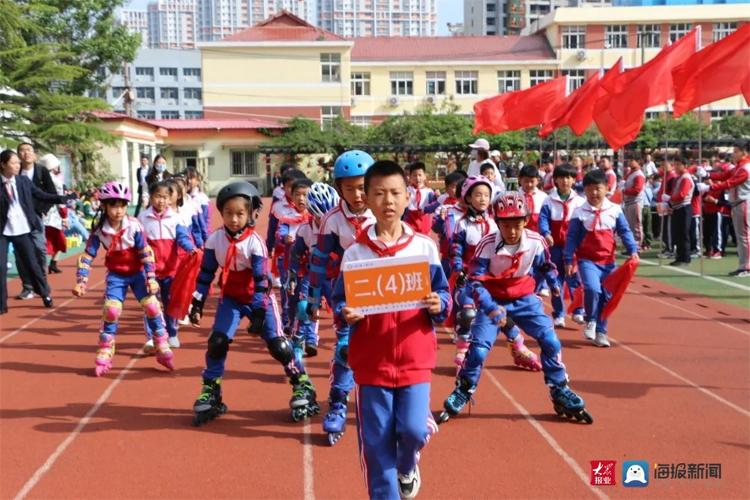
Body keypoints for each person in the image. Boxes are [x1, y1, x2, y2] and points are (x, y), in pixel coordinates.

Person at [333, 160, 450, 499]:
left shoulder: (424, 247)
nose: (388, 201)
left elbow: (443, 294)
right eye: (379, 193)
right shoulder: (355, 254)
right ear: (366, 199)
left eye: (395, 193)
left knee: (413, 430)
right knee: (376, 443)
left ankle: (408, 463)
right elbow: (339, 302)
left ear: (407, 197)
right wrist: (346, 312)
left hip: (415, 358)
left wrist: (440, 304)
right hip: (372, 363)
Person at [439, 192, 592, 425]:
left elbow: (546, 265)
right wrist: (491, 308)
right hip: (492, 298)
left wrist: (553, 283)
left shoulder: (535, 241)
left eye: (517, 224)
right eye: (506, 225)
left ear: (526, 221)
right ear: (497, 222)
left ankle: (559, 387)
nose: (512, 231)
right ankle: (465, 387)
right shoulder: (487, 244)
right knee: (479, 350)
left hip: (524, 297)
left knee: (551, 341)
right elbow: (476, 281)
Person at [188, 181, 318, 425]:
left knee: (278, 345)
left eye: (240, 213)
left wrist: (259, 313)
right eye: (228, 213)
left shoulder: (254, 242)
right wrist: (197, 303)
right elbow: (205, 274)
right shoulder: (215, 239)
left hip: (259, 298)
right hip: (231, 298)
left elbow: (261, 281)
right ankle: (211, 389)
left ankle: (301, 383)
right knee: (217, 342)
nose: (234, 219)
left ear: (251, 214)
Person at [307, 150, 376, 445]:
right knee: (346, 349)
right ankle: (337, 403)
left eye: (362, 187)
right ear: (339, 188)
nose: (358, 194)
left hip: (384, 289)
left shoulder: (385, 209)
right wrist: (310, 299)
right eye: (349, 188)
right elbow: (319, 260)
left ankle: (396, 402)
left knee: (388, 347)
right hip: (347, 290)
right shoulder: (333, 220)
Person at [72, 181, 175, 376]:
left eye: (122, 205)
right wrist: (81, 281)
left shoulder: (134, 226)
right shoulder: (99, 231)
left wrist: (151, 277)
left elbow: (145, 252)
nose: (118, 211)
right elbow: (87, 257)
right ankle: (105, 348)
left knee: (152, 306)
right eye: (113, 205)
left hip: (138, 273)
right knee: (111, 310)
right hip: (117, 276)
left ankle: (161, 343)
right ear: (104, 206)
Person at [450, 176, 539, 371]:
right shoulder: (462, 225)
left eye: (486, 195)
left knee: (502, 311)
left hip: (493, 279)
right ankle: (463, 352)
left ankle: (517, 345)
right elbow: (455, 250)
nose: (482, 199)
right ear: (467, 197)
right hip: (467, 277)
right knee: (467, 313)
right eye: (477, 194)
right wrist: (458, 270)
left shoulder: (497, 223)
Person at [564, 170, 639, 347]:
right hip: (587, 261)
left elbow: (624, 231)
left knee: (606, 297)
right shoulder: (579, 212)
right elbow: (572, 237)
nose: (594, 193)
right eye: (590, 189)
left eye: (598, 189)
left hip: (608, 262)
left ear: (606, 189)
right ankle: (591, 320)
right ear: (585, 191)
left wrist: (632, 250)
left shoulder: (614, 210)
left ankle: (601, 332)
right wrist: (568, 259)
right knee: (592, 288)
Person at [1, 150, 73, 314]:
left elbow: (41, 194)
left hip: (22, 228)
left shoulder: (23, 181)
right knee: (1, 268)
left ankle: (45, 294)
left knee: (32, 264)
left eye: (18, 163)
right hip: (2, 230)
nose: (17, 165)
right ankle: (1, 304)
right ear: (3, 165)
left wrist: (61, 199)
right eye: (13, 163)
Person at [138, 181, 196, 350]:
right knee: (151, 304)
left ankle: (171, 333)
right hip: (151, 271)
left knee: (170, 303)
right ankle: (151, 336)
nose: (161, 201)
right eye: (158, 196)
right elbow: (139, 242)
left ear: (170, 199)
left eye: (165, 197)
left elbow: (182, 237)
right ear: (151, 197)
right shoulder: (143, 217)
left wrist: (190, 248)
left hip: (171, 270)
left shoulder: (176, 218)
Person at [289, 182, 340, 360]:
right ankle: (298, 339)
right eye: (320, 217)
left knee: (342, 312)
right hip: (312, 276)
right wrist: (293, 274)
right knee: (305, 307)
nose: (325, 221)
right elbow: (295, 254)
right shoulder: (305, 230)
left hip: (334, 277)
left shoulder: (340, 228)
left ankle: (345, 345)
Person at [538, 163, 586, 328]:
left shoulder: (580, 201)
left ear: (573, 180)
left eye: (569, 177)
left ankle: (578, 310)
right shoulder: (548, 200)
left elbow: (584, 222)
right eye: (561, 177)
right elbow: (543, 219)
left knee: (575, 280)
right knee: (555, 283)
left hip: (572, 249)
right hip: (554, 249)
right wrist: (546, 233)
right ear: (555, 180)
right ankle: (558, 314)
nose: (565, 181)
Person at [15, 142, 57, 300]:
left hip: (36, 217)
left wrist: (42, 210)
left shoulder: (41, 171)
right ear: (18, 154)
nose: (26, 153)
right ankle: (27, 287)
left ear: (34, 154)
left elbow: (51, 193)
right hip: (17, 219)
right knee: (21, 253)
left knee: (40, 249)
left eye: (29, 150)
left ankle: (42, 283)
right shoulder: (14, 171)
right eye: (22, 150)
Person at [706, 139, 750, 276]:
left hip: (743, 203)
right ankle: (743, 265)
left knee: (744, 237)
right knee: (740, 236)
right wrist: (707, 175)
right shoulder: (738, 166)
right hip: (737, 203)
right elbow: (724, 175)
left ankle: (747, 266)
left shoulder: (745, 168)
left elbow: (730, 182)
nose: (733, 154)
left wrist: (710, 186)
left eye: (736, 152)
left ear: (744, 152)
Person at [277, 178, 313, 329]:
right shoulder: (287, 214)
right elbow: (281, 231)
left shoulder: (315, 216)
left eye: (305, 195)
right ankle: (288, 322)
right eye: (297, 194)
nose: (301, 198)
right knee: (290, 296)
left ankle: (308, 333)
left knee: (306, 297)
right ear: (291, 196)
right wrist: (285, 237)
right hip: (290, 263)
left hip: (310, 264)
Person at [432, 170, 467, 278]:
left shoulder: (473, 210)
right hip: (448, 256)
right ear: (447, 189)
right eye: (454, 186)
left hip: (466, 257)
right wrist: (441, 220)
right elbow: (435, 228)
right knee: (447, 284)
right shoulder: (444, 208)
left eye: (462, 187)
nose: (458, 190)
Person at [37, 154, 68, 274]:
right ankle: (48, 265)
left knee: (44, 241)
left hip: (40, 214)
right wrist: (64, 216)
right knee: (57, 240)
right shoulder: (56, 181)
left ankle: (51, 264)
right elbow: (61, 201)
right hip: (53, 216)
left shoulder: (38, 179)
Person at [662, 158, 694, 266]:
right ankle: (680, 257)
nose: (675, 167)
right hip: (678, 208)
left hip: (684, 207)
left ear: (684, 165)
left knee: (683, 234)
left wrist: (669, 199)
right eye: (674, 164)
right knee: (678, 234)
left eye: (678, 164)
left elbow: (682, 195)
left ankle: (685, 258)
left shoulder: (686, 178)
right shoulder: (679, 178)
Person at [403, 161, 439, 235]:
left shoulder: (429, 192)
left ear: (424, 176)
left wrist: (437, 198)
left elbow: (433, 206)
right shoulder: (406, 190)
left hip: (424, 222)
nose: (417, 178)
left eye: (420, 175)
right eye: (414, 175)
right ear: (410, 177)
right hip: (410, 221)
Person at [622, 159, 646, 251]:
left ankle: (637, 247)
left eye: (632, 160)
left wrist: (624, 191)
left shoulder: (639, 174)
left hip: (635, 202)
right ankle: (631, 247)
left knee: (636, 226)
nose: (630, 162)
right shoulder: (631, 173)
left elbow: (637, 190)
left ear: (638, 162)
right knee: (630, 226)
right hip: (628, 202)